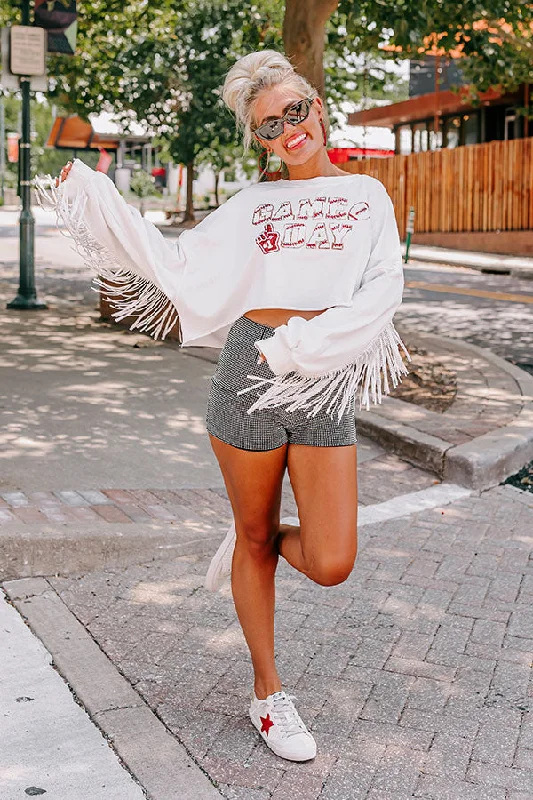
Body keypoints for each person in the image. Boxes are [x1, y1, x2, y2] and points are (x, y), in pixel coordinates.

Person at [34, 49, 409, 763]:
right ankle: (268, 694)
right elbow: (173, 262)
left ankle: (251, 535)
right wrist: (91, 193)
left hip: (318, 377)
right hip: (248, 373)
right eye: (269, 126)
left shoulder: (367, 195)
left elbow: (381, 292)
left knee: (331, 560)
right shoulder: (250, 206)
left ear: (315, 106)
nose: (287, 131)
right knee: (258, 536)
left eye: (294, 111)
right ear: (258, 139)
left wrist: (302, 347)